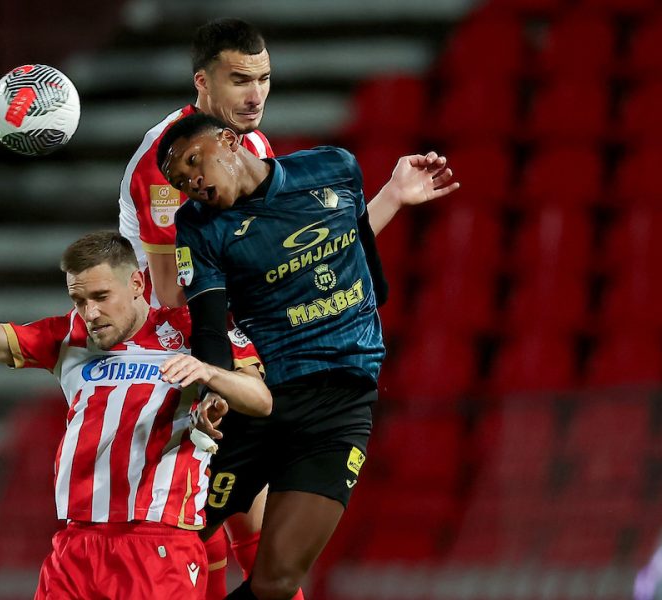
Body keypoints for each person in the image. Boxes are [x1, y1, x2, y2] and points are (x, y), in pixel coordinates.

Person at [118, 17, 452, 597]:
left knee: (258, 552)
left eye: (264, 80)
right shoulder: (168, 166)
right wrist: (221, 379)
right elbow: (173, 298)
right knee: (182, 537)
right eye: (240, 80)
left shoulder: (256, 151)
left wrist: (391, 196)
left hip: (262, 362)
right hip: (175, 357)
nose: (256, 96)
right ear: (203, 82)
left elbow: (315, 254)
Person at [0, 230, 272, 600]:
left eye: (101, 297)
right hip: (75, 546)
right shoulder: (70, 335)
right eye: (79, 300)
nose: (90, 313)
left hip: (159, 541)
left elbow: (260, 399)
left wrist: (209, 373)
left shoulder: (193, 331)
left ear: (137, 283)